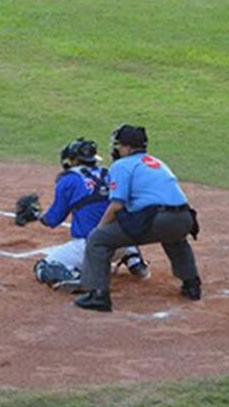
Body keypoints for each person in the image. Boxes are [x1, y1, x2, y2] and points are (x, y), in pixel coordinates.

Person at [75, 125, 202, 313]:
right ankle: (192, 284)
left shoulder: (121, 165)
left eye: (119, 145)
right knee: (174, 238)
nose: (116, 149)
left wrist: (100, 228)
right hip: (185, 219)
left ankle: (98, 295)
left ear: (127, 147)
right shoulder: (156, 161)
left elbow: (117, 205)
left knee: (98, 240)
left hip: (159, 219)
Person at [18, 138, 150, 293]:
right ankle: (135, 262)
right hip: (122, 242)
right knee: (118, 221)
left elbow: (53, 219)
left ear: (73, 160)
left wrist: (36, 215)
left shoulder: (69, 179)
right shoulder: (110, 174)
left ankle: (79, 277)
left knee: (44, 267)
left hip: (92, 247)